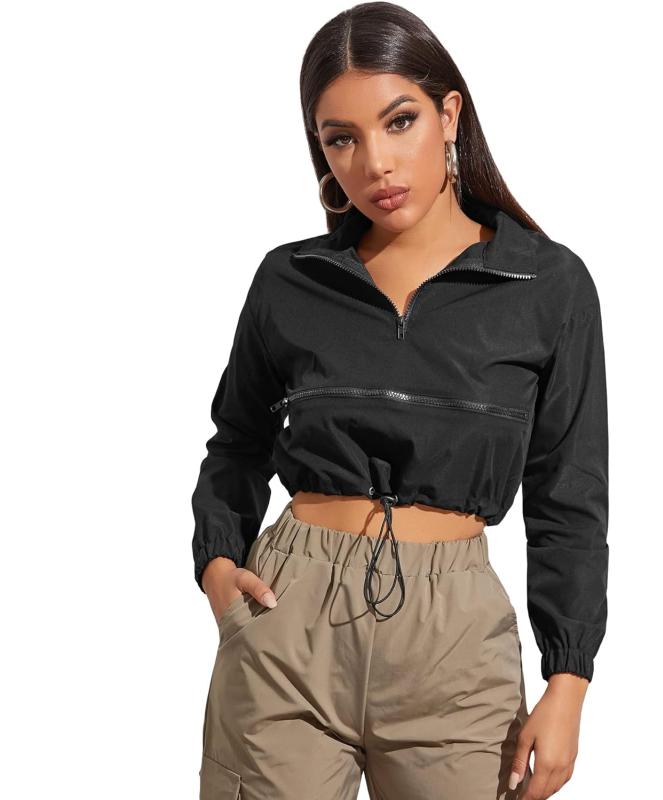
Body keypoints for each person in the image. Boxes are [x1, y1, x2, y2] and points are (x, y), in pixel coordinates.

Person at [191, 3, 609, 799]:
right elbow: (236, 440)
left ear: (449, 115)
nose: (375, 163)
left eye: (399, 121)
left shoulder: (545, 285)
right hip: (287, 622)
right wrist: (217, 560)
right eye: (341, 138)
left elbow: (571, 494)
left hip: (454, 641)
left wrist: (569, 679)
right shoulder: (291, 280)